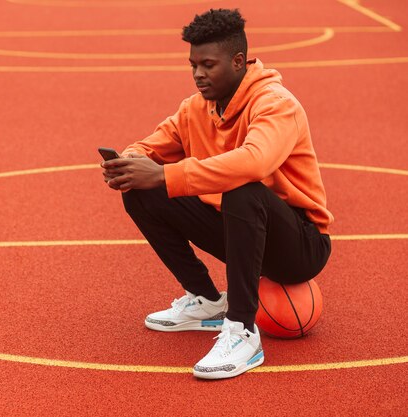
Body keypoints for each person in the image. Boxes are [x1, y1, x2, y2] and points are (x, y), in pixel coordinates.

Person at [101, 8, 332, 379]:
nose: (198, 74)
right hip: (241, 231)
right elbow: (151, 145)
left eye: (208, 64)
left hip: (300, 245)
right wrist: (129, 163)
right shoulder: (196, 109)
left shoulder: (276, 104)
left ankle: (242, 330)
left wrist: (164, 174)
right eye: (193, 65)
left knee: (241, 189)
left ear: (238, 61)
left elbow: (254, 162)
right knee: (141, 190)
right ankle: (208, 301)